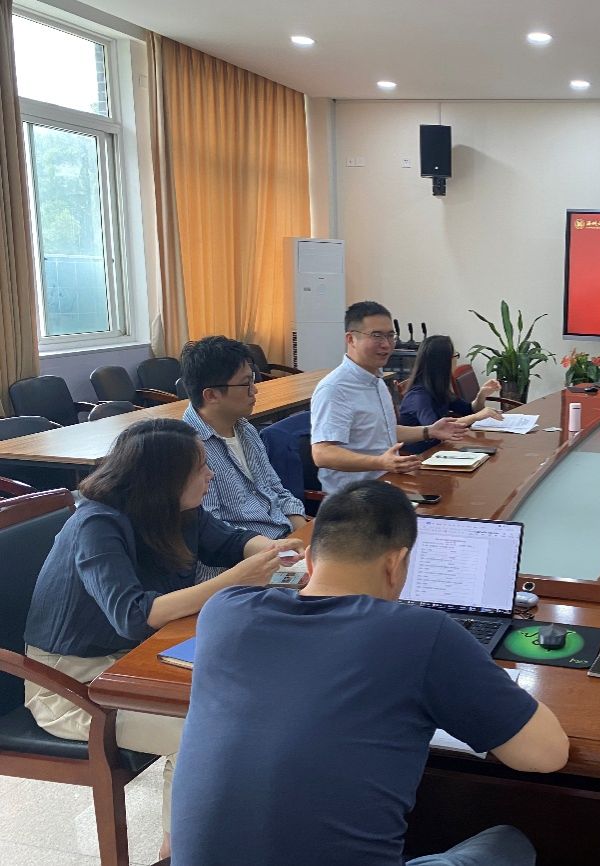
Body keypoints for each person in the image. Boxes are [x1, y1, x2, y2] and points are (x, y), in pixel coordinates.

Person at [171, 480, 569, 865]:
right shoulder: (422, 633)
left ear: (310, 561)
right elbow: (545, 755)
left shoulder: (224, 611)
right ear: (395, 563)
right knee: (508, 843)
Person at [23, 419, 302, 860]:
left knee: (251, 691)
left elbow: (229, 541)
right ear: (164, 478)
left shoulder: (173, 508)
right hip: (71, 685)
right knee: (201, 731)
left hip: (135, 658)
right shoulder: (96, 524)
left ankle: (240, 827)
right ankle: (178, 853)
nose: (210, 474)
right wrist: (236, 578)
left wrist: (274, 552)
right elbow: (133, 616)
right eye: (200, 468)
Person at [181, 336, 307, 580]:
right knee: (336, 588)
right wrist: (285, 555)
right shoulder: (188, 449)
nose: (255, 390)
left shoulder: (245, 429)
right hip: (240, 568)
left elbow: (277, 491)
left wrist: (303, 538)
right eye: (246, 384)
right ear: (211, 395)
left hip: (281, 547)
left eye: (253, 380)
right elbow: (215, 536)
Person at [311, 302, 467, 493]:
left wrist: (430, 431)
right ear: (351, 339)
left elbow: (384, 430)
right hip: (353, 498)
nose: (386, 344)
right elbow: (322, 453)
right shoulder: (335, 388)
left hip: (388, 486)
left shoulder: (376, 381)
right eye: (376, 336)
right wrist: (380, 462)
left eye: (390, 335)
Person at [398, 334, 503, 453]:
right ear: (443, 363)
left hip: (441, 448)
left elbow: (469, 409)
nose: (456, 360)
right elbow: (437, 429)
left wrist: (482, 394)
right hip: (422, 455)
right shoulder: (419, 396)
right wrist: (477, 416)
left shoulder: (439, 387)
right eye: (455, 355)